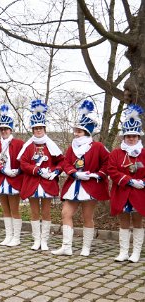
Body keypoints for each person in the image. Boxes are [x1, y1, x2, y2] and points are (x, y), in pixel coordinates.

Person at [52, 100, 110, 256]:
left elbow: (108, 162)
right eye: (76, 131)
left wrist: (98, 174)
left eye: (79, 131)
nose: (76, 134)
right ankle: (67, 246)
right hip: (74, 184)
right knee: (66, 213)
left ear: (87, 132)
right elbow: (65, 162)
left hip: (90, 186)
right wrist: (73, 172)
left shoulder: (97, 146)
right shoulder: (72, 147)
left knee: (87, 217)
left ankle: (86, 247)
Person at [18, 100, 64, 251]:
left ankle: (44, 240)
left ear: (44, 128)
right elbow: (23, 163)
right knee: (34, 211)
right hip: (32, 182)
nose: (38, 130)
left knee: (46, 211)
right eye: (36, 128)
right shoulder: (28, 146)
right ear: (32, 129)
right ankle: (36, 240)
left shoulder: (51, 145)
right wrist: (37, 170)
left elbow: (61, 162)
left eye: (40, 128)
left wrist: (55, 171)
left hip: (47, 183)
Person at [107, 104, 145, 263]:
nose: (131, 138)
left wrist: (142, 182)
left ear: (139, 137)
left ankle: (136, 252)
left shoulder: (144, 153)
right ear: (124, 137)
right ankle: (123, 251)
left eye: (134, 136)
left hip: (139, 192)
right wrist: (129, 180)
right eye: (128, 136)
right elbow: (112, 170)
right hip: (122, 191)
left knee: (137, 220)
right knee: (123, 221)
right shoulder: (116, 152)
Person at [0, 104, 24, 246]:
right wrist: (2, 170)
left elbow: (24, 159)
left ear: (11, 129)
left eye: (6, 129)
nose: (4, 131)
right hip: (2, 178)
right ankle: (8, 235)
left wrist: (18, 170)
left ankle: (16, 237)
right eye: (2, 129)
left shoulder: (19, 143)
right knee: (5, 209)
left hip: (14, 179)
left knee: (14, 209)